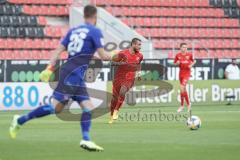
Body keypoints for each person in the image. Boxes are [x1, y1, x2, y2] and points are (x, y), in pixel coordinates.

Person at [9, 5, 111, 152]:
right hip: (71, 75)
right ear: (95, 17)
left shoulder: (73, 31)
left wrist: (49, 68)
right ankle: (19, 120)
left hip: (75, 75)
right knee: (54, 108)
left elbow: (58, 50)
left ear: (84, 16)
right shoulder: (95, 31)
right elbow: (104, 56)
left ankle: (86, 139)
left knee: (87, 108)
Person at [109, 38, 143, 124]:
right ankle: (112, 115)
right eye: (138, 45)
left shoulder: (140, 55)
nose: (140, 47)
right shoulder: (123, 54)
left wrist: (138, 74)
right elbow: (112, 63)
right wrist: (120, 63)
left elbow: (138, 64)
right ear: (133, 44)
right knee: (114, 99)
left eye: (140, 45)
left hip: (129, 78)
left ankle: (116, 110)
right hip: (118, 78)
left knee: (123, 91)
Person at [174, 43, 195, 113]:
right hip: (181, 73)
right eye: (183, 47)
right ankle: (188, 104)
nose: (185, 48)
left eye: (186, 47)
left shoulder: (189, 55)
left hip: (187, 73)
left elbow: (194, 61)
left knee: (182, 87)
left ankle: (182, 105)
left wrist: (191, 65)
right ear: (180, 48)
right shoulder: (178, 55)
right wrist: (177, 63)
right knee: (183, 90)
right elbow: (175, 63)